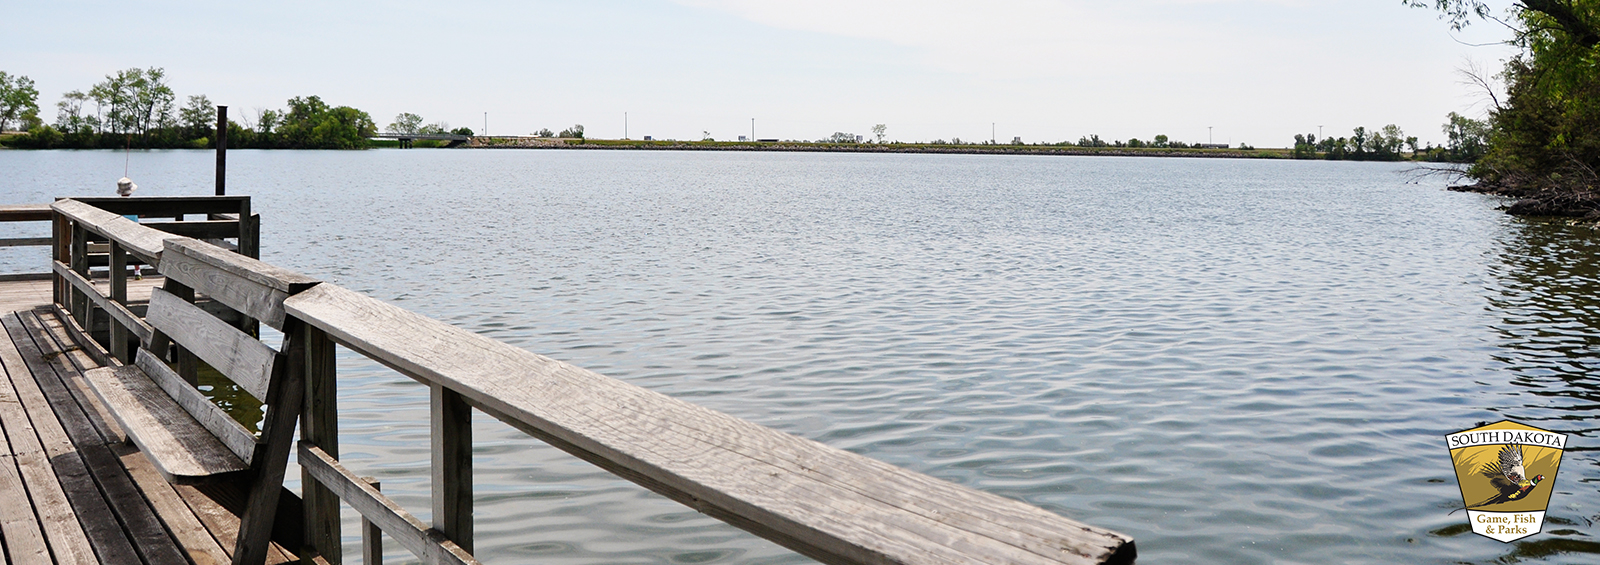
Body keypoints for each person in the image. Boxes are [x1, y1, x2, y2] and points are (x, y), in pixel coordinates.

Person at [117, 177, 142, 279]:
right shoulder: (135, 202)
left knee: (120, 249)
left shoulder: (116, 204)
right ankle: (137, 272)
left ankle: (119, 272)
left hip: (121, 230)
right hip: (135, 230)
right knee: (135, 249)